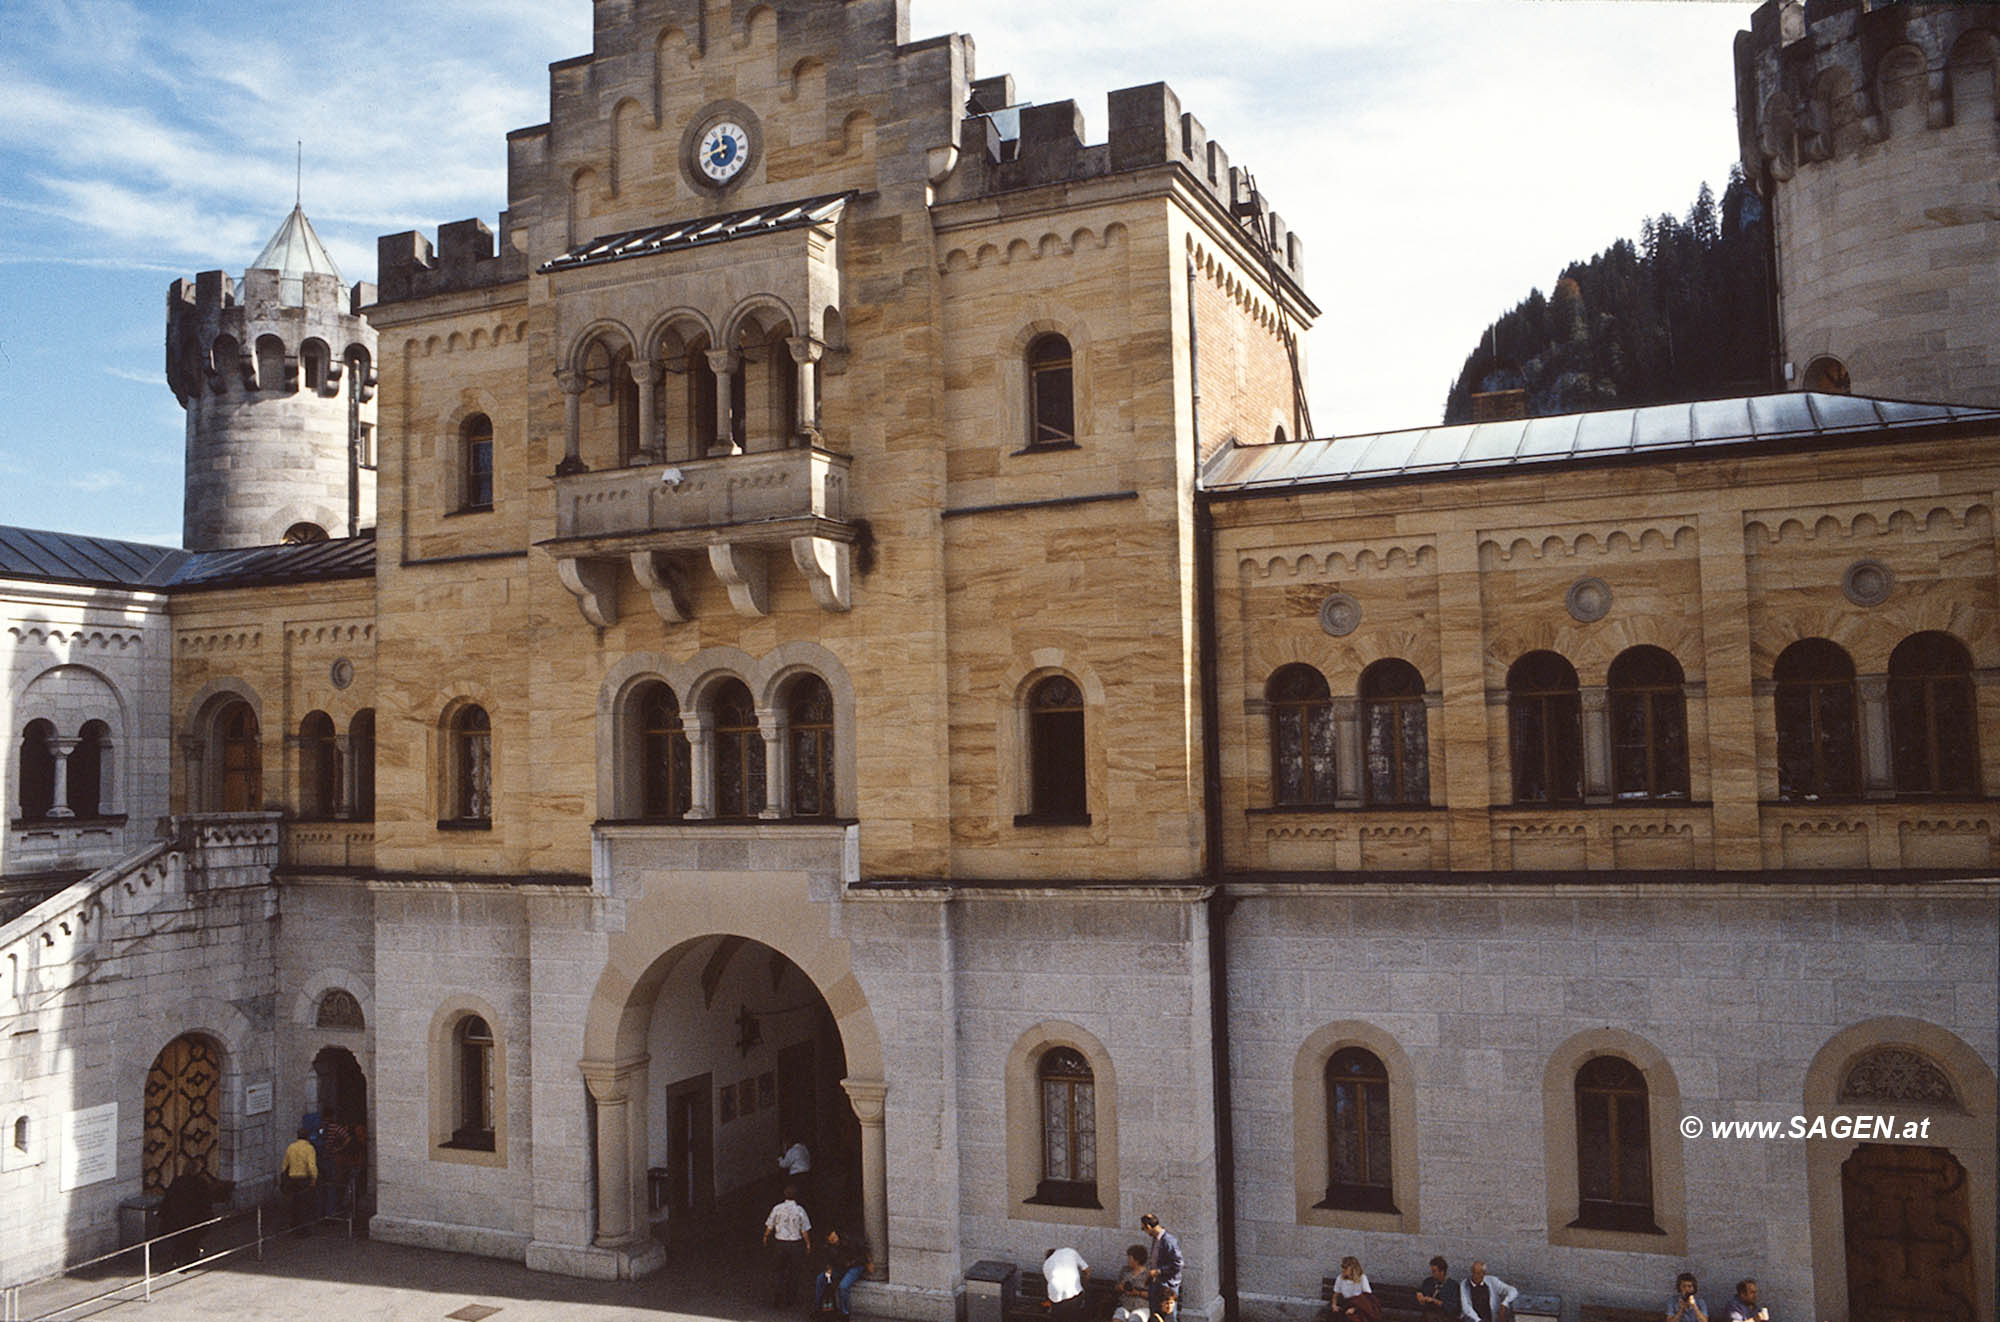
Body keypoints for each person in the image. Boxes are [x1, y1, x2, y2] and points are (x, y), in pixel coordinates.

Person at [158, 1166, 233, 1267]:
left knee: (180, 1240)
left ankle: (178, 1259)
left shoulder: (178, 1181)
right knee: (192, 1241)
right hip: (195, 1217)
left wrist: (163, 1213)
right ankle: (191, 1261)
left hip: (178, 1217)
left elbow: (169, 1197)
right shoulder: (200, 1183)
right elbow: (206, 1201)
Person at [763, 1183, 813, 1306]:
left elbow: (770, 1225)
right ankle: (790, 1298)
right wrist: (808, 1244)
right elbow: (804, 1230)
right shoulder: (800, 1210)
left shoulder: (777, 1208)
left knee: (778, 1270)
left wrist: (765, 1236)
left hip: (780, 1243)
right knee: (794, 1271)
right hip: (795, 1244)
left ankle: (777, 1296)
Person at [813, 1226, 871, 1321]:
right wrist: (829, 1268)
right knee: (820, 1278)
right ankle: (817, 1308)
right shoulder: (828, 1247)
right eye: (831, 1239)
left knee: (843, 1286)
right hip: (839, 1267)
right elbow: (827, 1258)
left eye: (834, 1236)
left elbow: (863, 1249)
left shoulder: (848, 1239)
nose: (834, 1239)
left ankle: (844, 1313)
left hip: (855, 1266)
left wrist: (868, 1262)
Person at [1140, 1213, 1183, 1319]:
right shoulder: (1157, 1239)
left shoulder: (1168, 1241)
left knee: (1168, 1317)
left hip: (1167, 1285)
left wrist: (1158, 1271)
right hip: (1157, 1283)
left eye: (1143, 1228)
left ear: (1148, 1227)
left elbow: (1178, 1263)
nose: (1144, 1231)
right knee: (1156, 1315)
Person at [279, 1125, 319, 1237]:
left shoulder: (291, 1147)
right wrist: (314, 1179)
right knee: (305, 1205)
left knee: (294, 1204)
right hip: (304, 1179)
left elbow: (284, 1165)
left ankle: (294, 1227)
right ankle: (303, 1230)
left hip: (292, 1179)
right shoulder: (309, 1148)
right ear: (308, 1137)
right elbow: (312, 1166)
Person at [1042, 1246, 1090, 1322]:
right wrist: (1084, 1283)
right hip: (1075, 1294)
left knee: (1060, 1317)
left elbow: (1051, 1283)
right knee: (1074, 1315)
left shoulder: (1046, 1264)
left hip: (1057, 1298)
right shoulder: (1070, 1251)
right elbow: (1087, 1270)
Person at [1329, 1256, 1379, 1322]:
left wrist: (1355, 1309)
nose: (1343, 1269)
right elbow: (1336, 1294)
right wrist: (1334, 1305)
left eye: (1346, 1268)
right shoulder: (1340, 1278)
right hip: (1346, 1304)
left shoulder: (1362, 1278)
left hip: (1360, 1307)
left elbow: (1367, 1297)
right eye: (1342, 1267)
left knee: (1355, 1318)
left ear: (1353, 1269)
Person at [1112, 1244, 1151, 1322]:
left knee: (1134, 1319)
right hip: (1125, 1305)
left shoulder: (1149, 1274)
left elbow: (1154, 1295)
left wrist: (1138, 1293)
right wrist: (1120, 1287)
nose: (1128, 1260)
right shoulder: (1125, 1271)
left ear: (1136, 1260)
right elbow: (1116, 1287)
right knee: (1117, 1319)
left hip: (1142, 1307)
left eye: (1130, 1258)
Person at [1415, 1257, 1456, 1322]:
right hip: (1427, 1314)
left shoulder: (1452, 1286)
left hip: (1443, 1316)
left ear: (1442, 1272)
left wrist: (1435, 1301)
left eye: (1434, 1271)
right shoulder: (1428, 1281)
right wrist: (1419, 1295)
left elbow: (1452, 1307)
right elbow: (1420, 1290)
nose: (1432, 1273)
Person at [779, 1137, 813, 1202]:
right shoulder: (804, 1148)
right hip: (806, 1173)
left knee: (797, 1195)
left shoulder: (792, 1151)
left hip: (796, 1175)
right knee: (805, 1193)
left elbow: (784, 1164)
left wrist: (780, 1158)